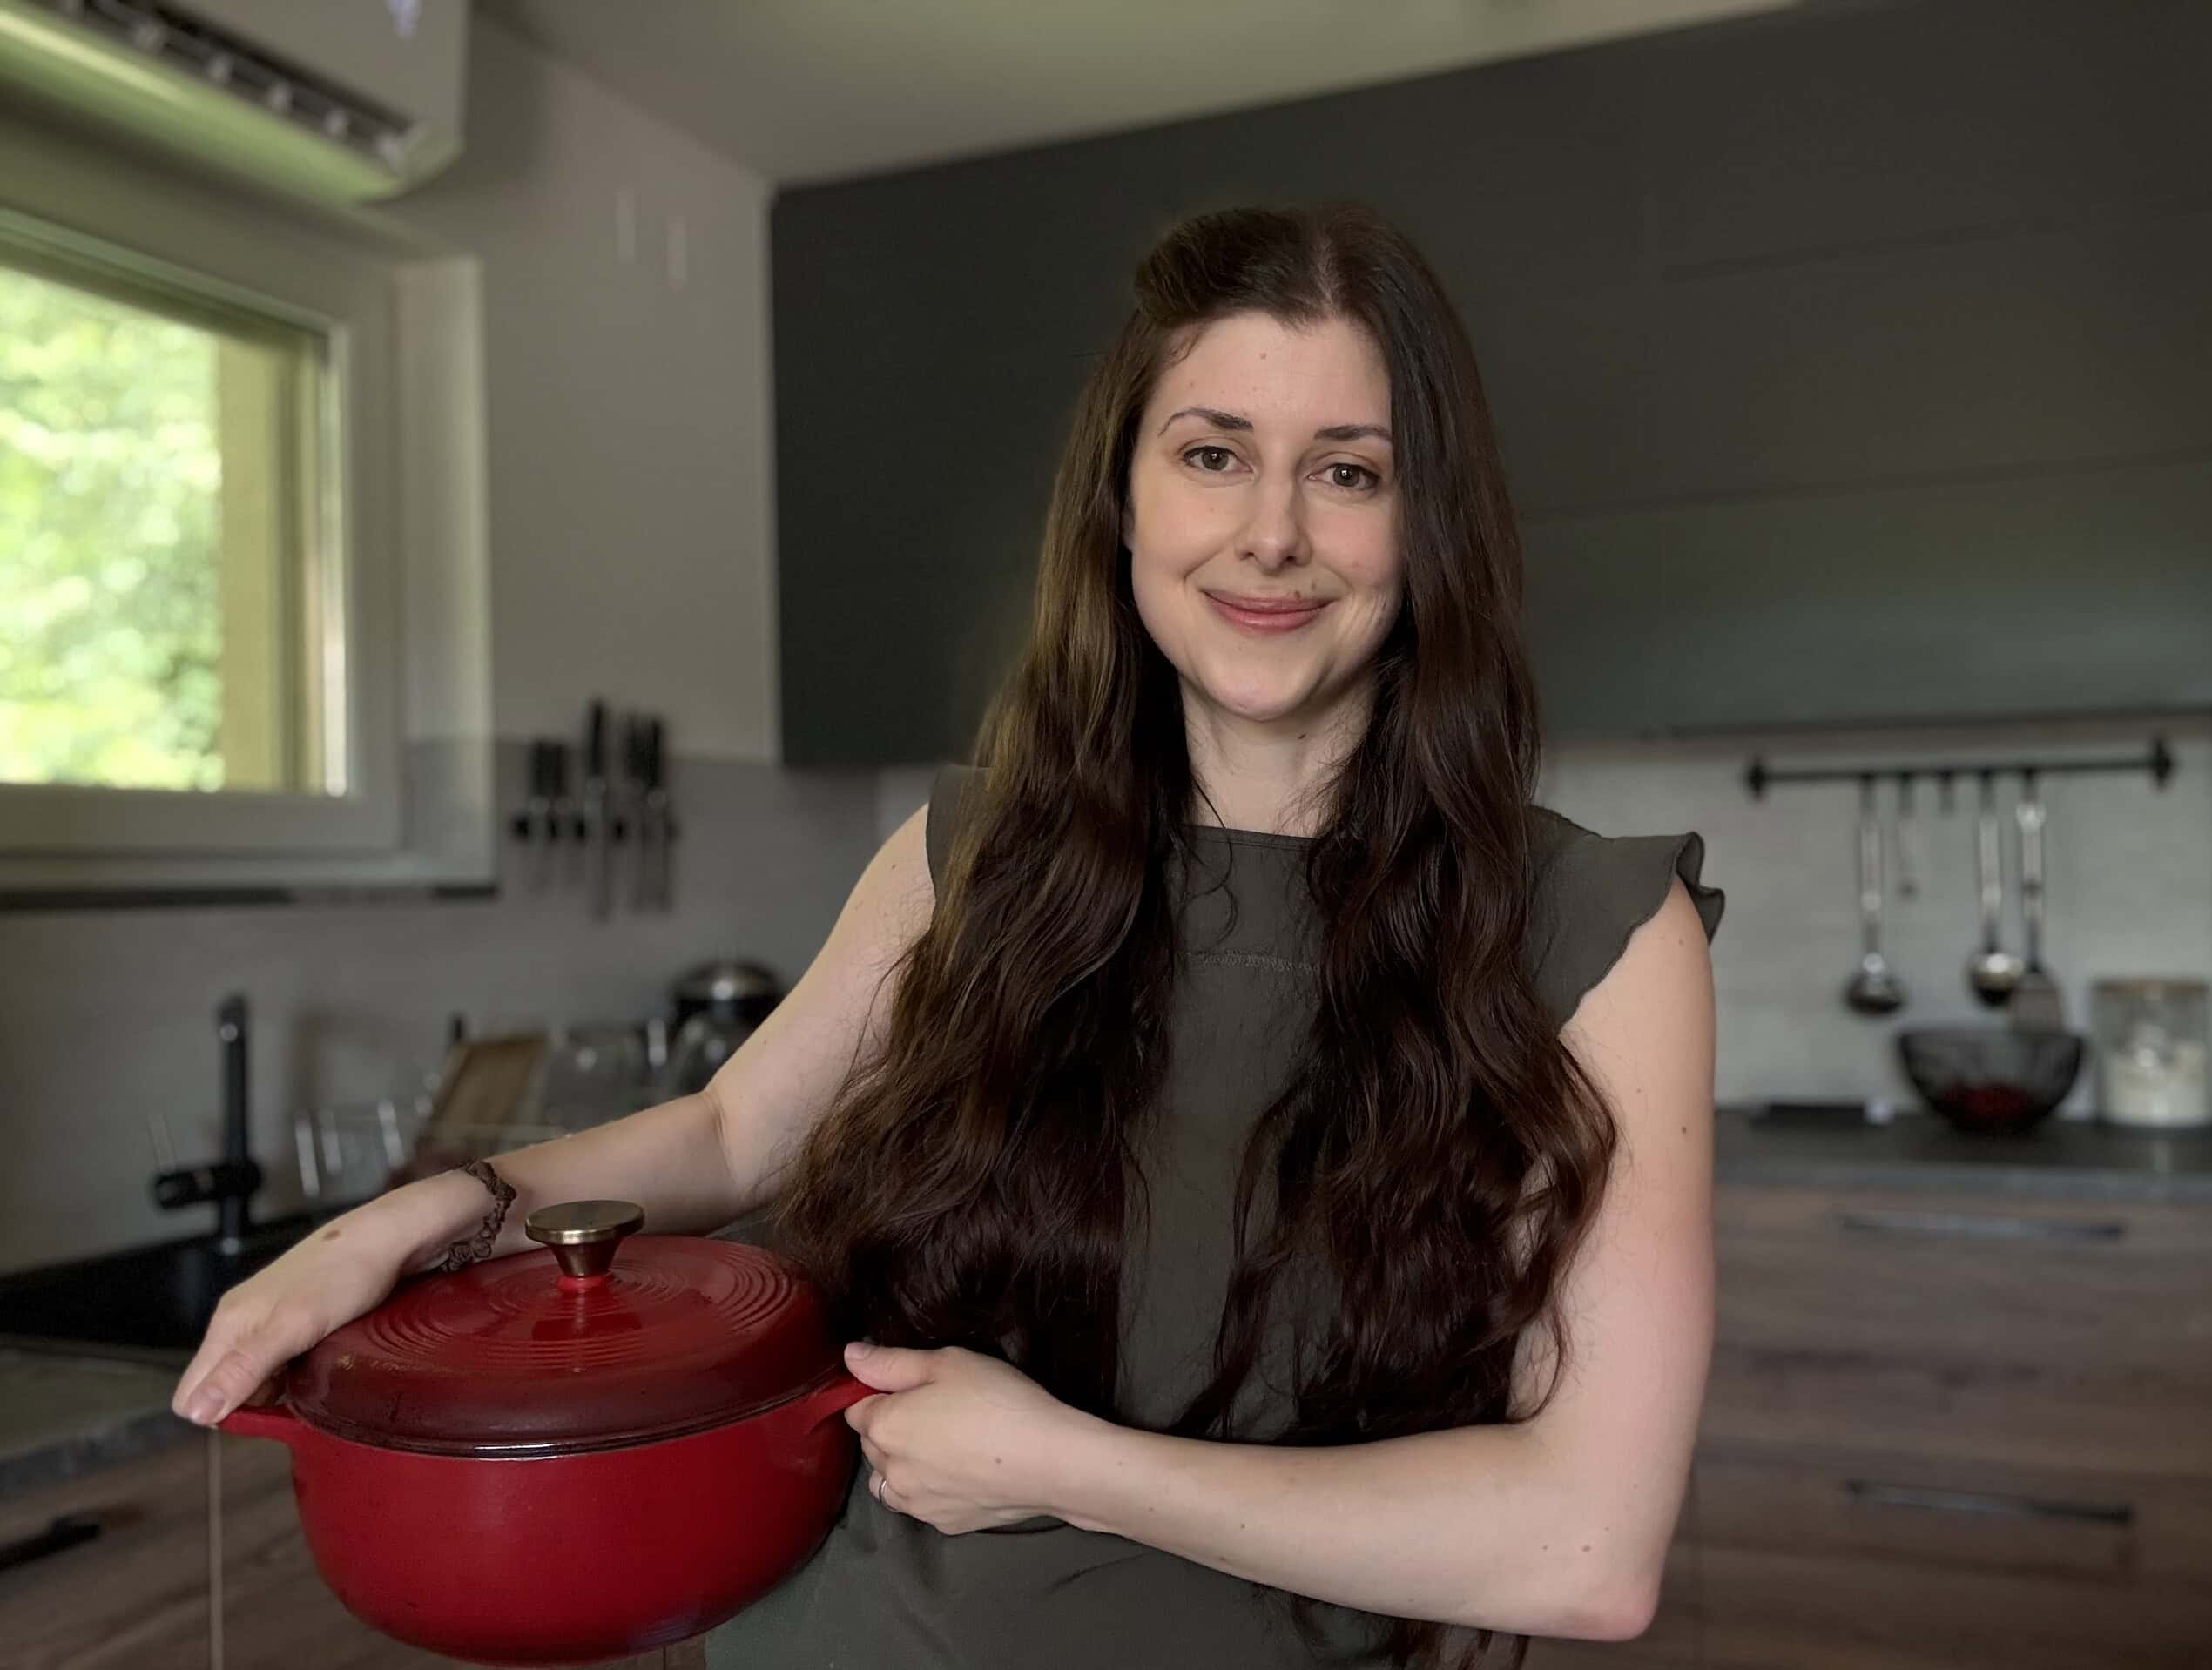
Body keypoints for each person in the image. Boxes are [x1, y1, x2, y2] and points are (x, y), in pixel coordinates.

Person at [174, 201, 1723, 1670]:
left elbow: (1586, 1551)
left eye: (1348, 472)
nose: (1269, 533)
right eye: (1211, 453)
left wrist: (1070, 1464)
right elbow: (729, 1132)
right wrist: (413, 1220)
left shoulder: (1591, 932)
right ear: (1123, 500)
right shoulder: (973, 851)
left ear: (1427, 524)